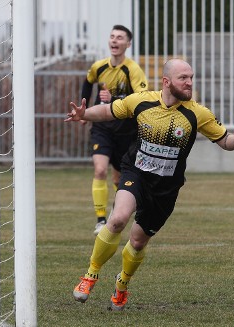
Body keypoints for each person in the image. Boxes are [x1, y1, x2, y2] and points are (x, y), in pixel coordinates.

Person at [66, 59, 234, 311]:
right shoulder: (142, 101)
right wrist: (84, 114)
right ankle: (90, 275)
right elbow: (108, 112)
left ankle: (122, 284)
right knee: (117, 219)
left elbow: (225, 141)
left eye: (191, 77)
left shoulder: (197, 113)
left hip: (166, 188)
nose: (190, 82)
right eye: (184, 77)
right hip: (135, 172)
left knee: (138, 242)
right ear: (166, 81)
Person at [81, 25, 149, 235]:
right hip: (102, 127)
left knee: (119, 179)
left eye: (119, 38)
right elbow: (88, 82)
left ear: (128, 44)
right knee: (100, 169)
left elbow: (143, 98)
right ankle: (101, 220)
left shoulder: (133, 70)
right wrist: (85, 109)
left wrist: (115, 99)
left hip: (126, 131)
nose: (114, 41)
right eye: (112, 37)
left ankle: (115, 215)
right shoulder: (99, 67)